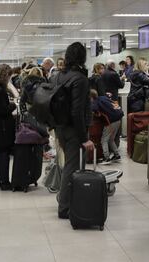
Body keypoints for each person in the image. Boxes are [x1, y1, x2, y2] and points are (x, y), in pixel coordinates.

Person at [54, 42, 94, 219]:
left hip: (60, 128)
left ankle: (67, 200)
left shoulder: (58, 76)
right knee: (73, 167)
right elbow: (77, 111)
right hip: (73, 130)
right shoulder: (80, 79)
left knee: (67, 166)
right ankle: (65, 207)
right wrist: (84, 138)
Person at [90, 90, 123, 164]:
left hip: (111, 122)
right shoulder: (103, 98)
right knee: (111, 139)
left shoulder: (96, 102)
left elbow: (94, 110)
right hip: (118, 119)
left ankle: (106, 158)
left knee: (104, 140)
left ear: (91, 97)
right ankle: (117, 155)